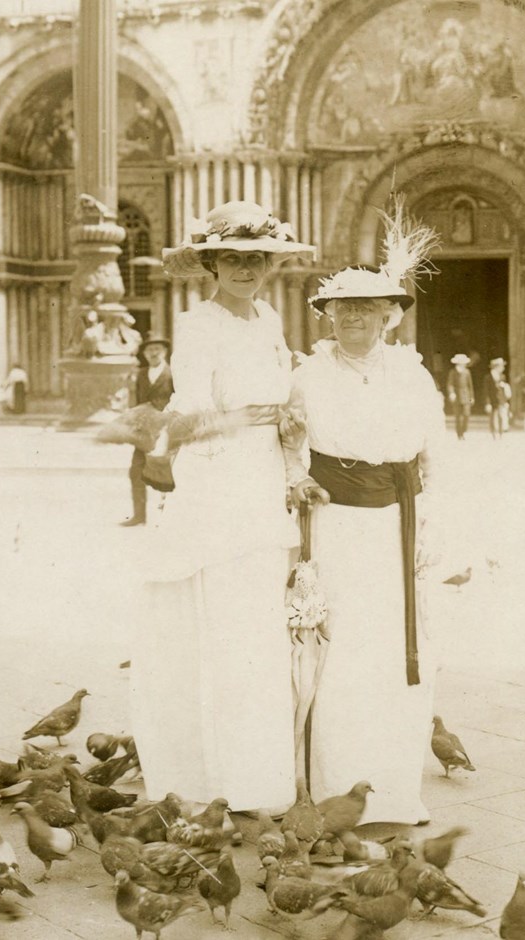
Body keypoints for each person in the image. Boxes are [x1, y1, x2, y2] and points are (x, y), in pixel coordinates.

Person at [130, 201, 315, 812]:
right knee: (223, 619)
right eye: (232, 259)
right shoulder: (197, 324)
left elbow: (288, 393)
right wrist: (256, 415)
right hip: (220, 480)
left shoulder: (268, 319)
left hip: (263, 475)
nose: (245, 270)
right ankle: (210, 777)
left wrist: (289, 441)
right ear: (211, 263)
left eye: (256, 259)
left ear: (269, 266)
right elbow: (191, 412)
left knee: (258, 627)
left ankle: (258, 777)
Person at [284, 244, 445, 825]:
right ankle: (332, 790)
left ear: (388, 315)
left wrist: (431, 525)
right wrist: (297, 479)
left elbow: (435, 455)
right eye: (342, 309)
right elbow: (288, 446)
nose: (353, 319)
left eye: (366, 309)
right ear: (327, 316)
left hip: (396, 526)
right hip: (336, 526)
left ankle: (396, 793)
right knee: (339, 649)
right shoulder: (307, 376)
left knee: (397, 652)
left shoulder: (412, 373)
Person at [120, 334, 174, 527]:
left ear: (165, 351)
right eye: (149, 350)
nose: (153, 353)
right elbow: (136, 402)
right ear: (144, 353)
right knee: (136, 472)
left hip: (167, 430)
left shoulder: (173, 373)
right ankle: (139, 516)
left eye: (157, 349)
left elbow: (178, 400)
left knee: (168, 475)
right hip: (145, 432)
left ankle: (168, 517)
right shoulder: (141, 374)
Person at [446, 353, 474, 439]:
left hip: (466, 396)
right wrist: (451, 393)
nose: (463, 364)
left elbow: (470, 385)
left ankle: (463, 430)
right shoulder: (453, 372)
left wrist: (472, 397)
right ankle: (459, 434)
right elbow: (450, 384)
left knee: (466, 414)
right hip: (457, 396)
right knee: (458, 416)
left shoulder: (467, 372)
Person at [484, 357, 512, 439]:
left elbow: (504, 390)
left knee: (501, 416)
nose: (503, 368)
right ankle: (493, 433)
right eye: (501, 366)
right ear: (496, 367)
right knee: (492, 417)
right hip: (492, 400)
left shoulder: (502, 376)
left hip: (501, 400)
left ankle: (500, 433)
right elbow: (486, 391)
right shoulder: (488, 377)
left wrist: (505, 400)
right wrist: (487, 403)